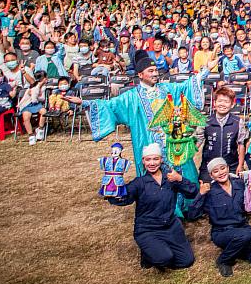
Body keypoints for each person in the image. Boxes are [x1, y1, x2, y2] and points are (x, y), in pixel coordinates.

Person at [61, 50, 217, 216]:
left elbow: (187, 86)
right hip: (148, 142)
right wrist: (83, 102)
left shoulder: (167, 89)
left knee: (182, 170)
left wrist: (206, 70)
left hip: (172, 141)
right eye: (151, 71)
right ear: (140, 74)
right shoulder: (131, 97)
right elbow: (110, 105)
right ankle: (163, 209)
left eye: (156, 70)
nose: (155, 73)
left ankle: (189, 207)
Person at [108, 143, 197, 271]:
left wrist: (180, 179)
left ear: (161, 160)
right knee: (165, 258)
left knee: (187, 261)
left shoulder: (170, 179)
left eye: (155, 159)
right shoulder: (139, 183)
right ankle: (150, 252)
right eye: (148, 159)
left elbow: (192, 192)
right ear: (143, 161)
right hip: (147, 229)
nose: (152, 163)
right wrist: (112, 192)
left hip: (170, 226)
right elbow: (124, 198)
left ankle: (158, 249)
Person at [187, 157, 251, 277]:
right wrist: (200, 194)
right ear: (211, 175)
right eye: (216, 171)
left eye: (222, 168)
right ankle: (223, 260)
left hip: (242, 226)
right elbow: (192, 215)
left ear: (227, 168)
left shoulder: (239, 184)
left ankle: (236, 248)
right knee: (244, 236)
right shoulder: (209, 191)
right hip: (222, 232)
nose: (221, 173)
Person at [196, 86, 248, 180]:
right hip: (209, 166)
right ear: (214, 103)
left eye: (226, 102)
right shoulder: (205, 121)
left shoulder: (238, 122)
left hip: (230, 166)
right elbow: (198, 141)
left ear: (232, 104)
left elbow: (241, 144)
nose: (222, 104)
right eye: (220, 101)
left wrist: (240, 165)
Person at [17, 69, 48, 145]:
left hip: (37, 104)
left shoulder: (44, 87)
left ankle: (40, 129)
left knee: (44, 112)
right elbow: (33, 99)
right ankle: (31, 135)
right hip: (27, 104)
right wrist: (24, 72)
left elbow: (42, 98)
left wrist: (36, 95)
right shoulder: (34, 85)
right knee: (26, 116)